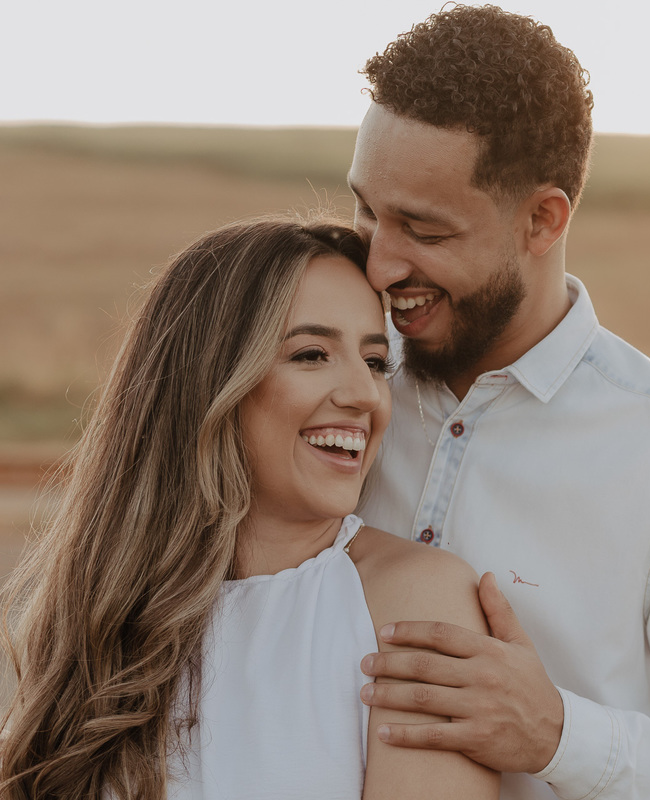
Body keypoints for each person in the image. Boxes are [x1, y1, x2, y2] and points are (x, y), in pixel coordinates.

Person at [349, 5, 650, 799]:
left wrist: (557, 734)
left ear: (543, 219)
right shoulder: (328, 399)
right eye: (365, 211)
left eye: (422, 230)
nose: (379, 264)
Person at [0, 216, 500, 800]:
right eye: (312, 354)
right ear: (207, 380)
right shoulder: (103, 613)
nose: (365, 395)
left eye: (374, 361)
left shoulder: (416, 607)